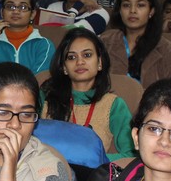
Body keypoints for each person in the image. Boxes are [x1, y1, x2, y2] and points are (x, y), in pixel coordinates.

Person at [40, 28, 135, 161]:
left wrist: (94, 160)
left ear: (100, 63)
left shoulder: (113, 105)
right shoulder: (45, 97)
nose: (80, 62)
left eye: (87, 55)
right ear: (65, 68)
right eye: (72, 57)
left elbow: (131, 154)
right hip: (46, 169)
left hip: (93, 173)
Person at [100, 0, 171, 87]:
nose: (132, 10)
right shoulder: (106, 41)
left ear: (151, 11)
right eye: (126, 5)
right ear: (120, 10)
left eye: (140, 5)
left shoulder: (169, 50)